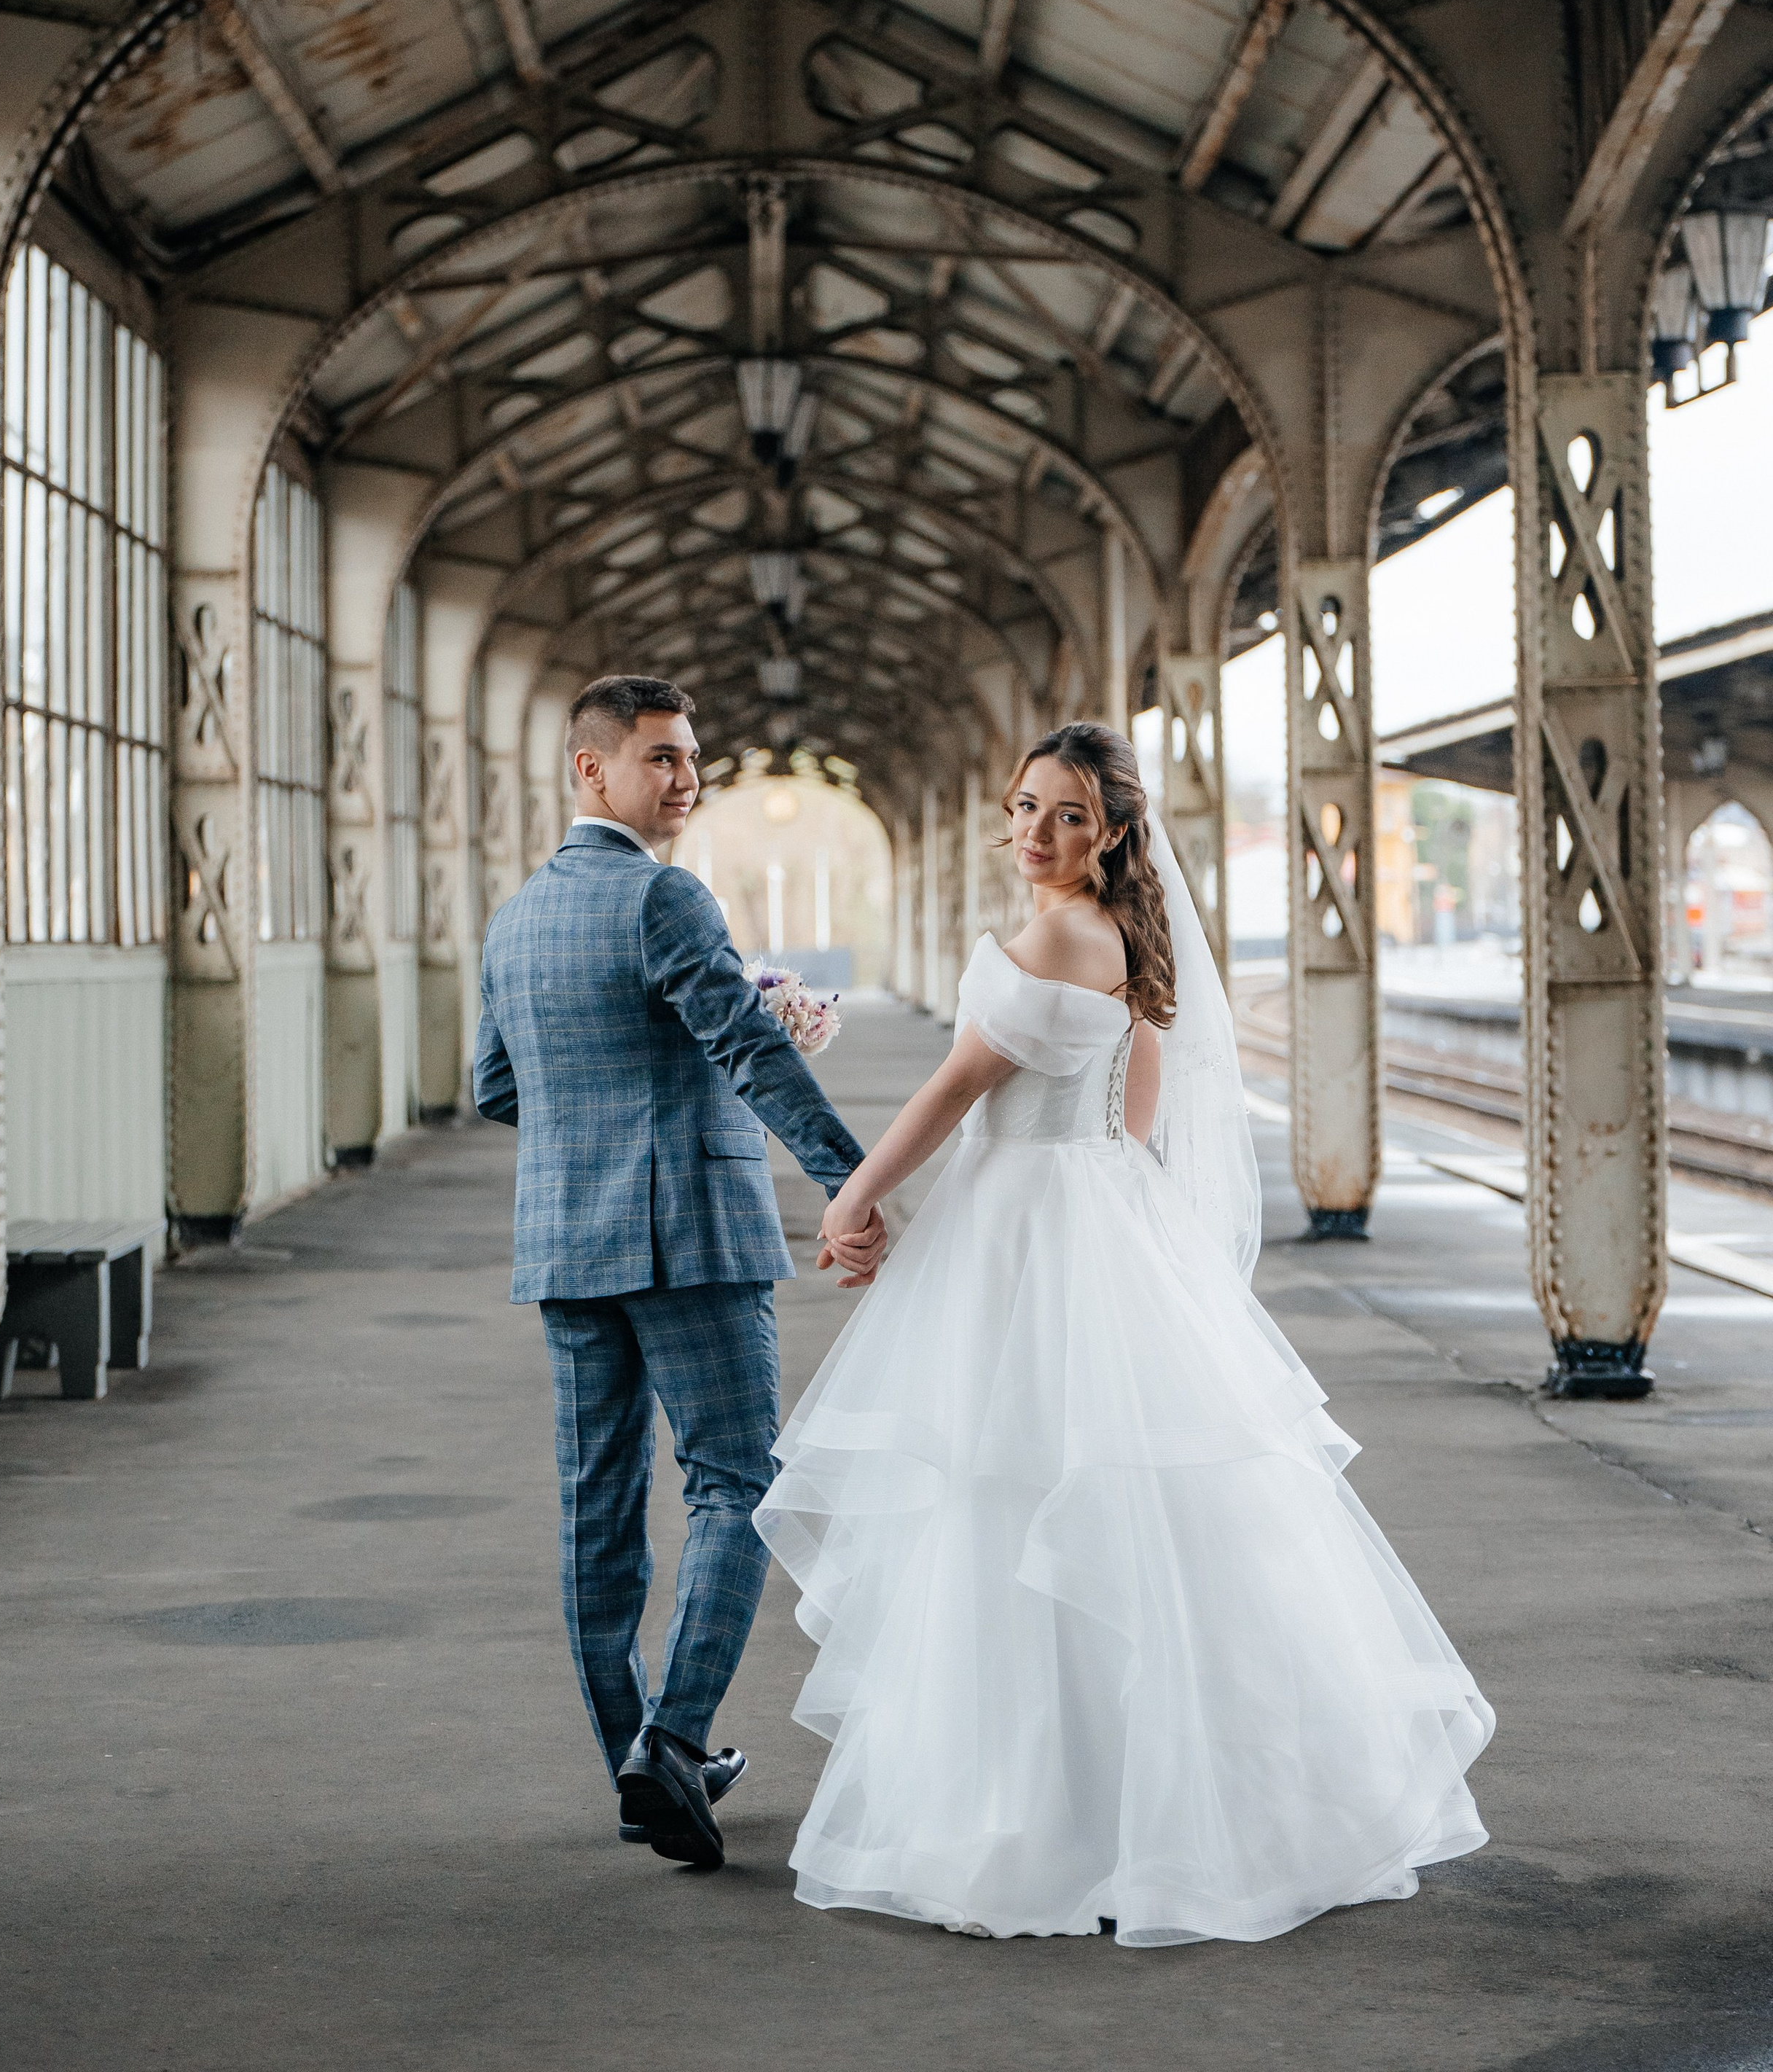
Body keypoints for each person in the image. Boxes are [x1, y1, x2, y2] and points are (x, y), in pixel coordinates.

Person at [756, 721, 1493, 1944]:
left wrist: (851, 1195)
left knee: (1004, 1497)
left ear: (1110, 834)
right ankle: (1181, 1809)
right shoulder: (1132, 939)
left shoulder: (1049, 933)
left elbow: (954, 1091)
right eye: (1027, 807)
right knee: (1125, 1509)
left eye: (1068, 817)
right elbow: (1136, 1118)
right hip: (1104, 1217)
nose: (1036, 834)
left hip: (1021, 1227)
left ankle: (1038, 1821)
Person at [474, 674, 886, 1873]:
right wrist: (850, 1183)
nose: (686, 774)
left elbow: (499, 1091)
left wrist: (596, 1126)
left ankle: (638, 1766)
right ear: (591, 771)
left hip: (565, 1244)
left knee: (597, 1515)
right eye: (660, 756)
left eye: (691, 755)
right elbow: (746, 1053)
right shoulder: (665, 898)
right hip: (692, 1238)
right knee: (736, 1486)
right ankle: (674, 1742)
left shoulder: (514, 920)